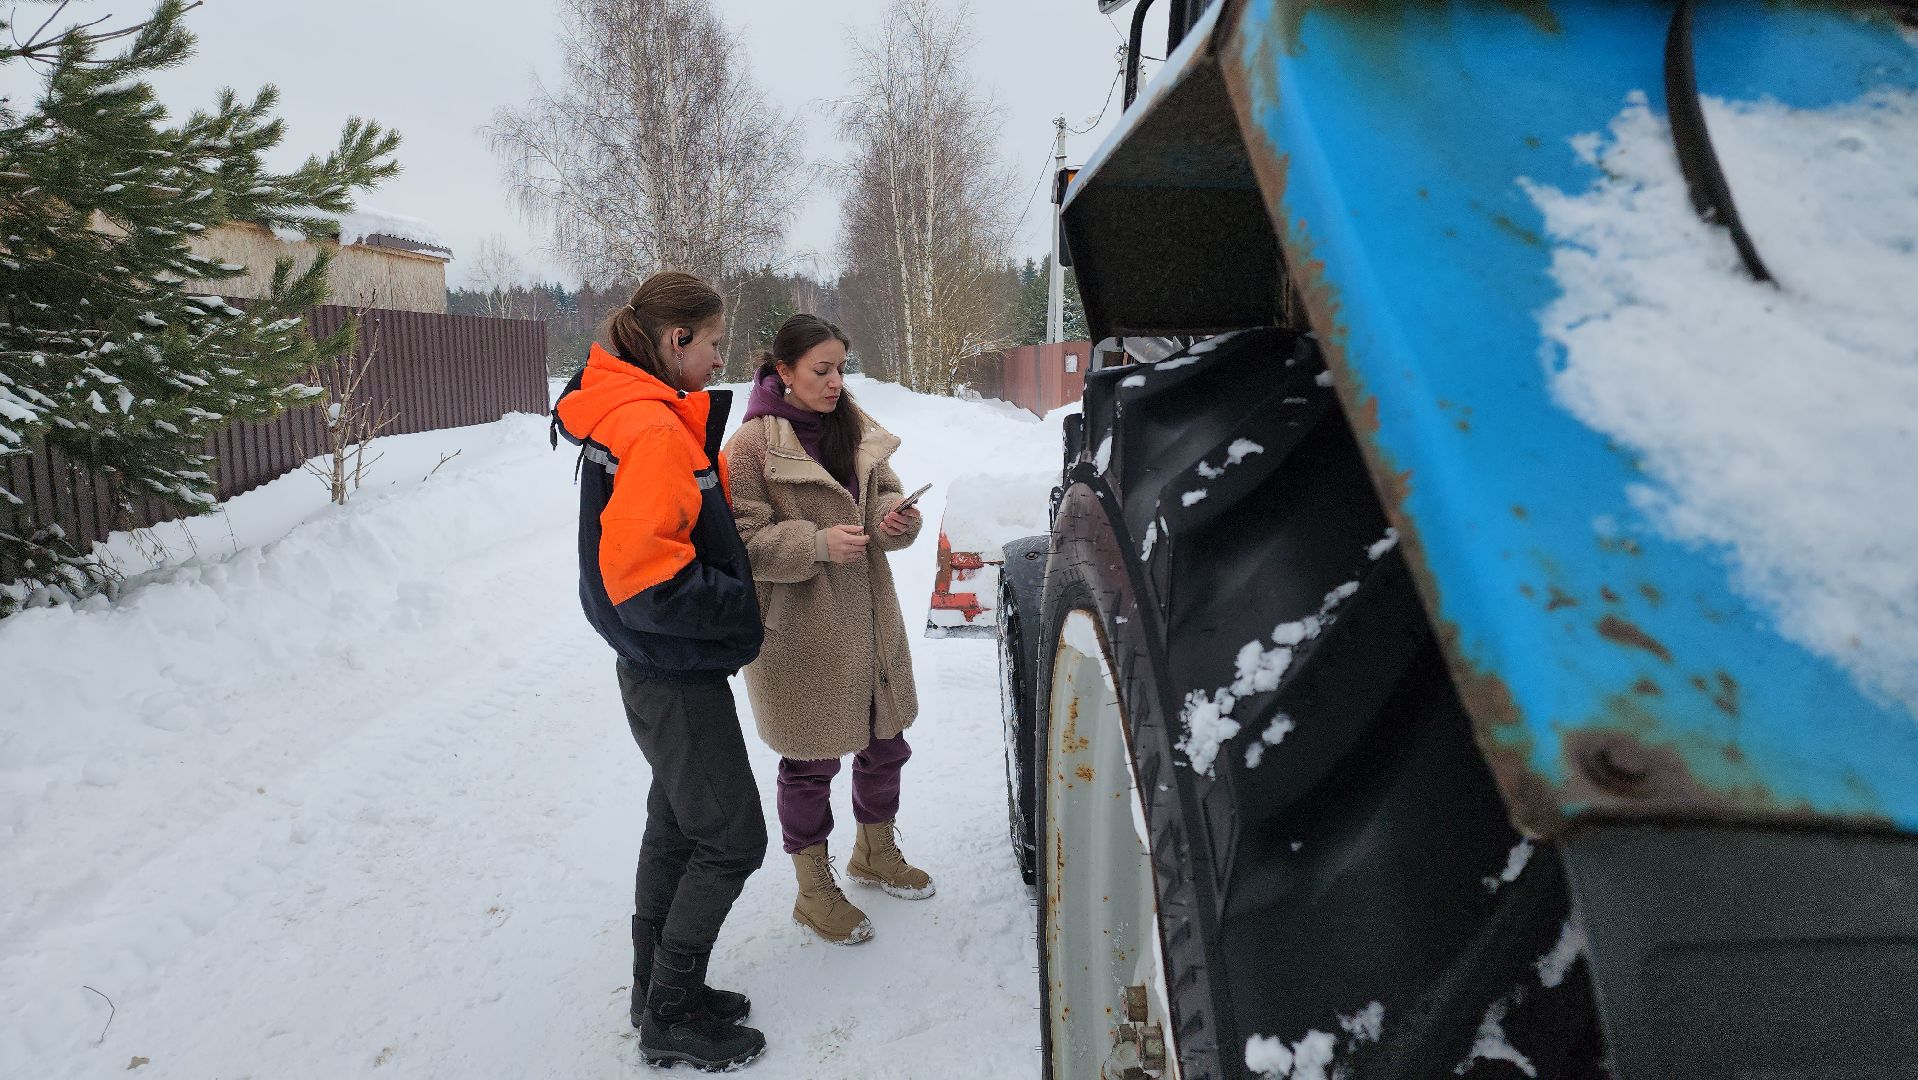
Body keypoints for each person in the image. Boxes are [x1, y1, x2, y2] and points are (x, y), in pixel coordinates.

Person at [551, 271, 767, 1071]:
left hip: (657, 666)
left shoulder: (644, 411)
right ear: (677, 341)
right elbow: (645, 576)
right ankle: (670, 1015)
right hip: (672, 671)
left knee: (680, 822)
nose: (719, 360)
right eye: (713, 344)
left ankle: (658, 989)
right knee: (733, 837)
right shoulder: (650, 428)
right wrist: (737, 606)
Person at [723, 314, 932, 947]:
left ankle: (873, 851)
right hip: (801, 635)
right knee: (810, 762)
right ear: (782, 372)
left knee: (884, 743)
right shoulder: (751, 447)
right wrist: (813, 544)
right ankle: (812, 890)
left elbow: (884, 501)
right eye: (822, 369)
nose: (837, 381)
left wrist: (897, 522)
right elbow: (741, 540)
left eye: (842, 366)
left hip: (869, 624)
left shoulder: (854, 425)